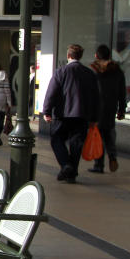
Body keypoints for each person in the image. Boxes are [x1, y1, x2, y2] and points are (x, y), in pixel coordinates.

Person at [43, 44, 99, 184]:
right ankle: (71, 172)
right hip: (82, 115)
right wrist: (94, 117)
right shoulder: (89, 73)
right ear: (80, 56)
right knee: (76, 144)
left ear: (68, 56)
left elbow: (52, 93)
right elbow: (96, 97)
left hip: (63, 114)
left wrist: (47, 111)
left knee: (56, 139)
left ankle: (66, 165)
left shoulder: (61, 72)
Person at [89, 44, 126, 173]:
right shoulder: (117, 70)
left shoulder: (94, 70)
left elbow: (89, 91)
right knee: (109, 134)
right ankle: (112, 156)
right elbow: (122, 92)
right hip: (111, 107)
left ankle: (99, 165)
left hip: (97, 107)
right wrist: (122, 109)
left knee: (98, 136)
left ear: (96, 56)